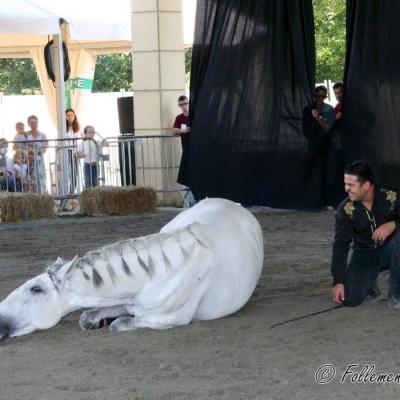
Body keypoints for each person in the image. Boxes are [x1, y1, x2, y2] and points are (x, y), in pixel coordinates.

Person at [331, 160, 400, 309]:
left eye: (351, 185)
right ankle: (370, 286)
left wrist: (393, 224)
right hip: (365, 254)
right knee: (348, 299)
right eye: (345, 184)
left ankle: (396, 296)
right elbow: (340, 245)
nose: (346, 189)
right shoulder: (345, 209)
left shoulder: (391, 196)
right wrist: (338, 281)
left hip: (392, 249)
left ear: (367, 185)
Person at [26, 115, 48, 194]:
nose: (33, 125)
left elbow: (45, 147)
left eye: (34, 122)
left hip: (39, 161)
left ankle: (41, 197)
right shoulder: (26, 134)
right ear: (28, 124)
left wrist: (40, 150)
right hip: (28, 160)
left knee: (40, 179)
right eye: (31, 123)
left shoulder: (42, 135)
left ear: (37, 123)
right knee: (30, 179)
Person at [65, 108, 80, 194]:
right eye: (68, 115)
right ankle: (66, 193)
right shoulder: (63, 128)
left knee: (75, 173)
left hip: (75, 152)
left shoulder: (77, 128)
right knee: (67, 173)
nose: (70, 117)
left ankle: (72, 193)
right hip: (66, 152)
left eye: (72, 115)